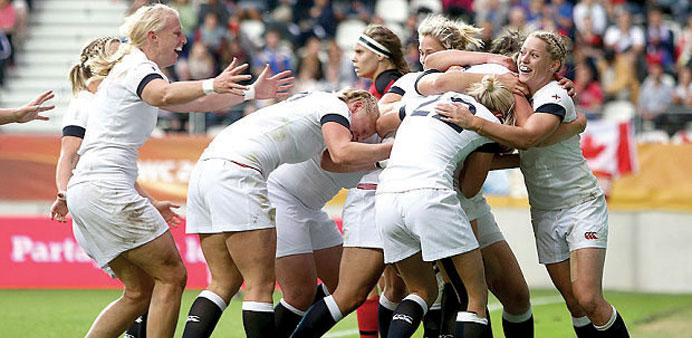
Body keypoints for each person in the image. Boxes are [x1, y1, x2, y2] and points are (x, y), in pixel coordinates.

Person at [65, 4, 293, 338]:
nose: (184, 40)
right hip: (105, 188)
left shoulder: (133, 69)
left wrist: (249, 93)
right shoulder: (138, 66)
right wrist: (213, 83)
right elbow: (166, 93)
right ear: (152, 36)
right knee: (171, 277)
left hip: (89, 191)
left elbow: (190, 102)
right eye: (177, 33)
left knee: (138, 292)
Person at [436, 30, 630, 338]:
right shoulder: (519, 95)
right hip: (544, 210)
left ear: (555, 65)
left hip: (581, 204)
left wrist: (474, 121)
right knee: (575, 304)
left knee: (588, 297)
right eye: (522, 53)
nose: (524, 59)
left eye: (534, 55)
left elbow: (528, 136)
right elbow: (525, 147)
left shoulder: (554, 94)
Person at [182, 88, 391, 338]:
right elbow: (338, 155)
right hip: (266, 187)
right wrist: (393, 151)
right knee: (275, 288)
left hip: (219, 170)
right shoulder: (334, 108)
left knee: (345, 286)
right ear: (355, 106)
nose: (360, 136)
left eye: (366, 134)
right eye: (363, 129)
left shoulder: (318, 107)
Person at [375, 76, 518, 338]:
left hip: (385, 198)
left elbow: (383, 123)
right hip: (428, 195)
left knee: (420, 291)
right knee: (474, 298)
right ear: (501, 113)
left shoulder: (432, 100)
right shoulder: (488, 122)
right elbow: (469, 188)